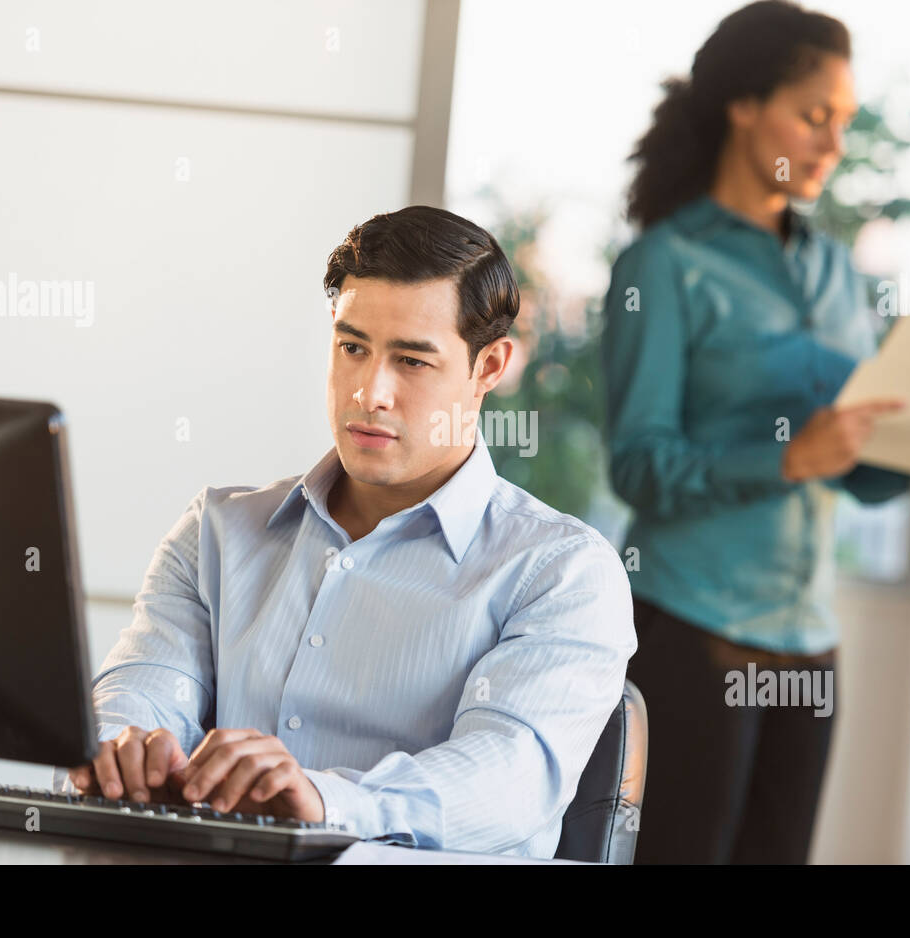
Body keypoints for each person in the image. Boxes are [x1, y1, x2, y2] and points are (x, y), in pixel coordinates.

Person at [62, 206, 636, 858]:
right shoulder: (219, 531)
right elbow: (140, 688)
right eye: (353, 347)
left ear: (489, 367)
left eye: (412, 361)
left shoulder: (562, 570)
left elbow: (509, 779)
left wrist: (327, 800)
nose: (370, 392)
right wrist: (128, 746)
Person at [600, 0, 910, 864]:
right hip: (695, 625)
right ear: (744, 105)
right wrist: (786, 456)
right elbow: (638, 462)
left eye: (844, 123)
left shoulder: (837, 271)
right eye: (814, 116)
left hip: (808, 634)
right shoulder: (663, 264)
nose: (832, 143)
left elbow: (855, 465)